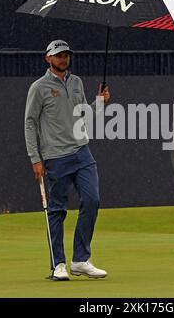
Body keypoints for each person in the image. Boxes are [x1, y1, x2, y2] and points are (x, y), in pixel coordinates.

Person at [24, 40, 110, 281]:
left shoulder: (76, 82)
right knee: (57, 210)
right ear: (48, 58)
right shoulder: (39, 87)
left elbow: (83, 115)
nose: (64, 59)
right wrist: (35, 158)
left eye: (67, 55)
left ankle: (80, 260)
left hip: (82, 152)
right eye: (59, 55)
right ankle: (58, 264)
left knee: (92, 200)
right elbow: (29, 123)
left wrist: (100, 104)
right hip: (55, 157)